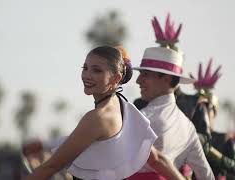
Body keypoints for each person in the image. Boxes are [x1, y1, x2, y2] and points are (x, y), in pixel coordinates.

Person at [24, 46, 185, 180]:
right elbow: (157, 159)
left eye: (97, 70)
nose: (87, 75)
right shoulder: (125, 108)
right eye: (85, 68)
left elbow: (51, 166)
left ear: (116, 78)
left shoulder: (97, 118)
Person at [130, 46, 215, 180]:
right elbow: (206, 175)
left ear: (167, 79)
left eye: (145, 74)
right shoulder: (188, 128)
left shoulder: (142, 117)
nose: (138, 80)